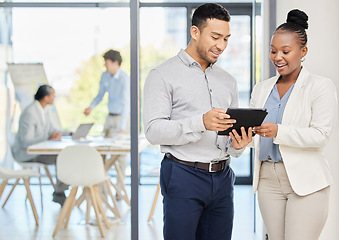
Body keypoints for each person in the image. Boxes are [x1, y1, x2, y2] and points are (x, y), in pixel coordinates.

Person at [143, 3, 252, 240]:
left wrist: (239, 144)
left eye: (226, 38)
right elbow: (153, 131)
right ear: (195, 32)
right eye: (215, 37)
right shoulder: (162, 75)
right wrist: (200, 122)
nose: (221, 45)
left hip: (223, 178)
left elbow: (228, 143)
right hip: (183, 175)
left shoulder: (228, 81)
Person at [250, 9, 338, 240]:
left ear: (303, 51)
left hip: (306, 182)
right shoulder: (261, 89)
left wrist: (279, 131)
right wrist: (241, 139)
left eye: (285, 51)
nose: (278, 57)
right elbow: (254, 138)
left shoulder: (320, 86)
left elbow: (321, 135)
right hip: (267, 179)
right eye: (273, 51)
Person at [12, 85, 69, 206]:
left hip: (37, 152)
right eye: (53, 95)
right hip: (25, 154)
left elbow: (52, 130)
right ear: (45, 97)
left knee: (63, 156)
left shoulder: (43, 111)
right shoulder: (30, 113)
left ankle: (60, 191)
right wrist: (48, 138)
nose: (54, 97)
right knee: (62, 158)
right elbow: (26, 141)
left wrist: (70, 133)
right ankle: (59, 193)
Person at [84, 49, 130, 192]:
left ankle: (119, 189)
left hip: (122, 119)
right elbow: (100, 95)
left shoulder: (125, 79)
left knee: (120, 156)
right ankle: (102, 187)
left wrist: (122, 127)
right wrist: (90, 107)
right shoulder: (105, 76)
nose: (105, 66)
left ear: (115, 63)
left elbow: (126, 104)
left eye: (107, 63)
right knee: (102, 151)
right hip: (109, 118)